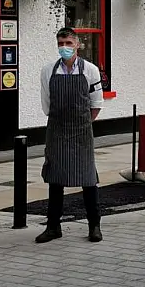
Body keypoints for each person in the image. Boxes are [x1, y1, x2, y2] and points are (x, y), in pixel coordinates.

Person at [35, 27, 104, 244]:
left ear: (77, 45)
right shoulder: (48, 71)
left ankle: (94, 226)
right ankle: (53, 226)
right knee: (55, 179)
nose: (64, 47)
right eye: (61, 43)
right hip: (56, 129)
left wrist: (83, 123)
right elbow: (46, 104)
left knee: (88, 180)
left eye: (68, 43)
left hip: (82, 131)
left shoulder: (90, 70)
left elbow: (97, 103)